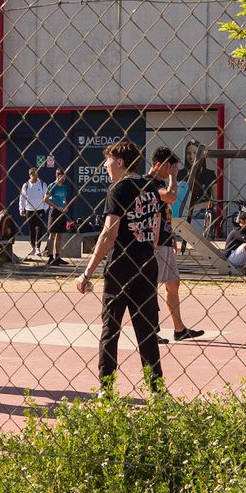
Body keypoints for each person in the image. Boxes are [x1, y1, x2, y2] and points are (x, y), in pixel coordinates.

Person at [75, 140, 165, 397]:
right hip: (147, 262)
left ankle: (107, 389)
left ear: (121, 162)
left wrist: (87, 272)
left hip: (121, 267)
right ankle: (157, 391)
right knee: (146, 331)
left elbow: (108, 234)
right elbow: (156, 231)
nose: (105, 165)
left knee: (110, 329)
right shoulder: (150, 187)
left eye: (109, 160)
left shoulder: (118, 189)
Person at [147, 147, 202, 341]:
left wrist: (171, 238)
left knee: (172, 283)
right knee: (150, 286)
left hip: (165, 241)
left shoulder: (160, 183)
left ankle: (179, 329)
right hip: (154, 244)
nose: (174, 170)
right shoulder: (150, 184)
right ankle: (150, 331)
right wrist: (172, 177)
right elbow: (170, 196)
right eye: (171, 167)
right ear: (158, 165)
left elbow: (165, 215)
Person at [17, 167, 50, 258]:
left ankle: (38, 248)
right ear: (30, 175)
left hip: (40, 210)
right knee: (31, 230)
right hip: (29, 210)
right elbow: (22, 197)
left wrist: (45, 208)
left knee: (39, 229)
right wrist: (21, 208)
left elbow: (46, 196)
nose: (34, 176)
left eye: (35, 174)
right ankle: (33, 248)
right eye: (32, 174)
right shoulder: (26, 185)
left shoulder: (43, 184)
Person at [46, 176, 73, 266]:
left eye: (65, 177)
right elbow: (46, 199)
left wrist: (66, 206)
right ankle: (50, 257)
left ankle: (57, 257)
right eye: (62, 177)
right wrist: (57, 207)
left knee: (60, 235)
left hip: (62, 212)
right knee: (52, 234)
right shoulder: (51, 186)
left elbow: (64, 199)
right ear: (57, 176)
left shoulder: (64, 187)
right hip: (54, 212)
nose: (63, 179)